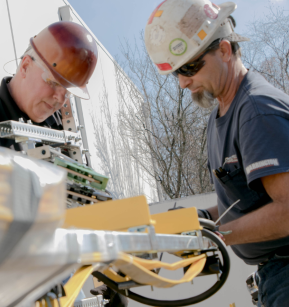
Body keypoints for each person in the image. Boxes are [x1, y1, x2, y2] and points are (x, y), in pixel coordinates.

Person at [145, 1, 289, 306]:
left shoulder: (256, 111)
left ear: (224, 50)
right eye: (176, 73)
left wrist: (212, 234)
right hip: (274, 274)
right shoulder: (222, 114)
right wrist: (201, 219)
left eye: (189, 67)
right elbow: (246, 203)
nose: (183, 83)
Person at [0, 21, 98, 151]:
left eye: (67, 93)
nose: (60, 99)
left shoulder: (62, 127)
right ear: (25, 66)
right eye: (53, 83)